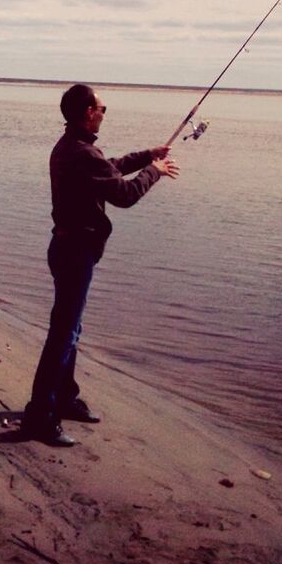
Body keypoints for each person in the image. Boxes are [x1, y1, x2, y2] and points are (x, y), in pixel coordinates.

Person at [22, 84, 179, 446]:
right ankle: (39, 416)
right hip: (74, 251)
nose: (105, 113)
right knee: (63, 335)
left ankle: (64, 398)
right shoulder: (79, 153)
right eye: (102, 108)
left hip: (67, 248)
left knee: (70, 330)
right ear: (88, 112)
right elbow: (124, 194)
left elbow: (109, 168)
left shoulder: (73, 148)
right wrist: (155, 171)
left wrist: (146, 156)